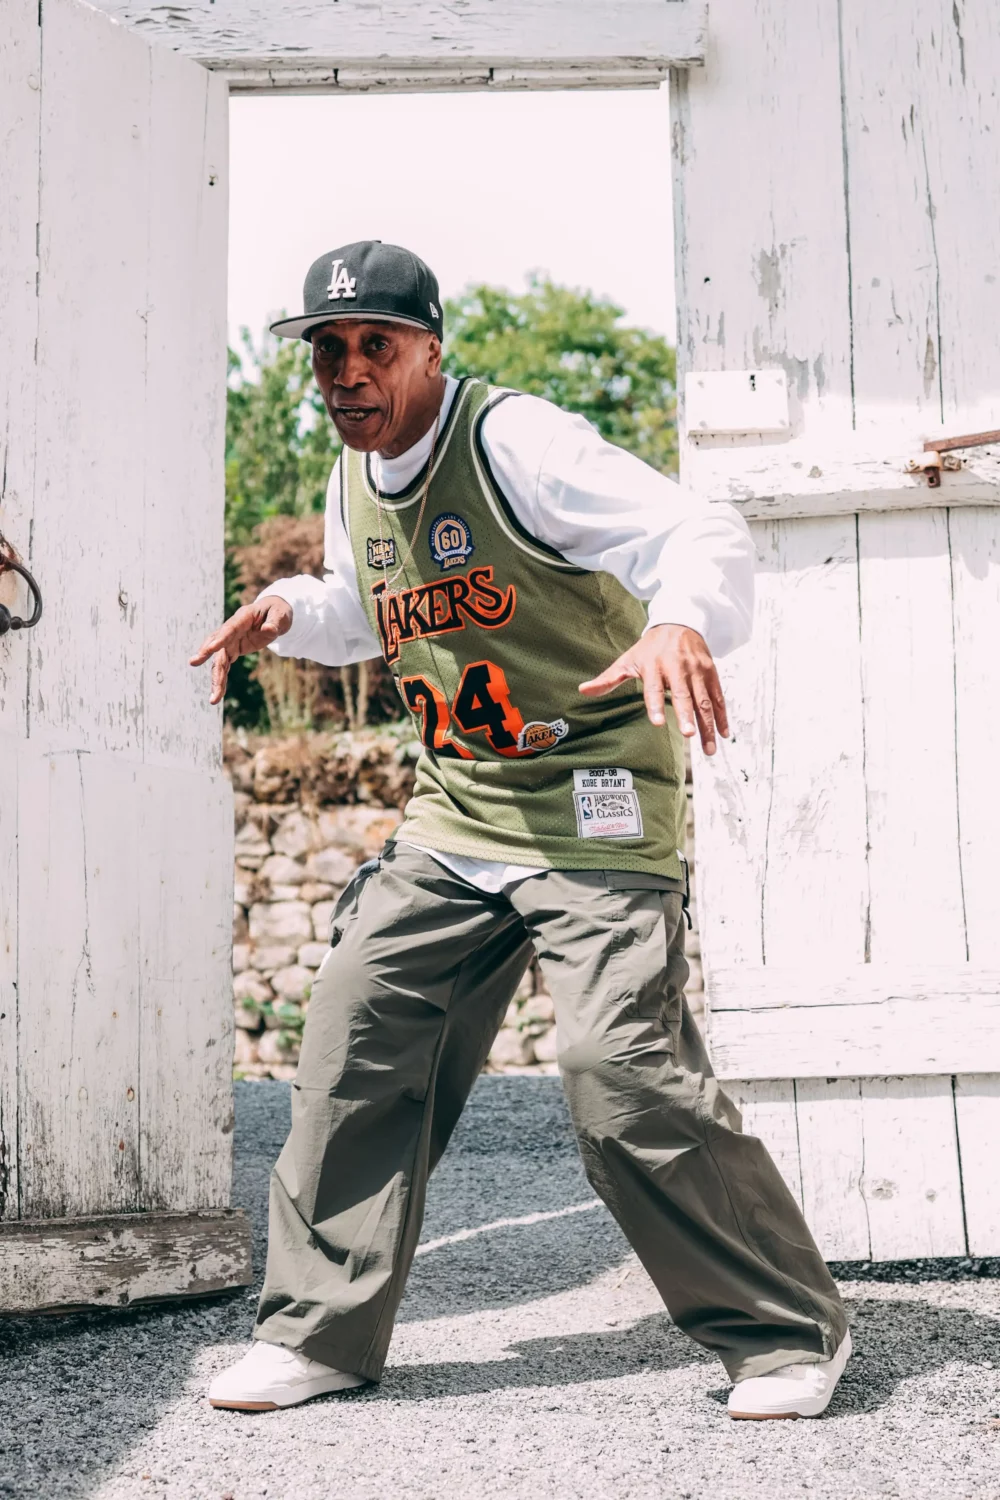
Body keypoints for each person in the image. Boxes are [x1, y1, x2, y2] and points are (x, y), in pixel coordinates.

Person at [193, 241, 851, 1420]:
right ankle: (318, 1331)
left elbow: (696, 529)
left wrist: (681, 620)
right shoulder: (354, 472)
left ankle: (787, 1331)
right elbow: (370, 608)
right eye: (328, 350)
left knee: (618, 1071)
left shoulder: (513, 441)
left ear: (430, 351)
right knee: (354, 1030)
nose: (348, 371)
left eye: (376, 345)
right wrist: (294, 609)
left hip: (591, 798)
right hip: (459, 807)